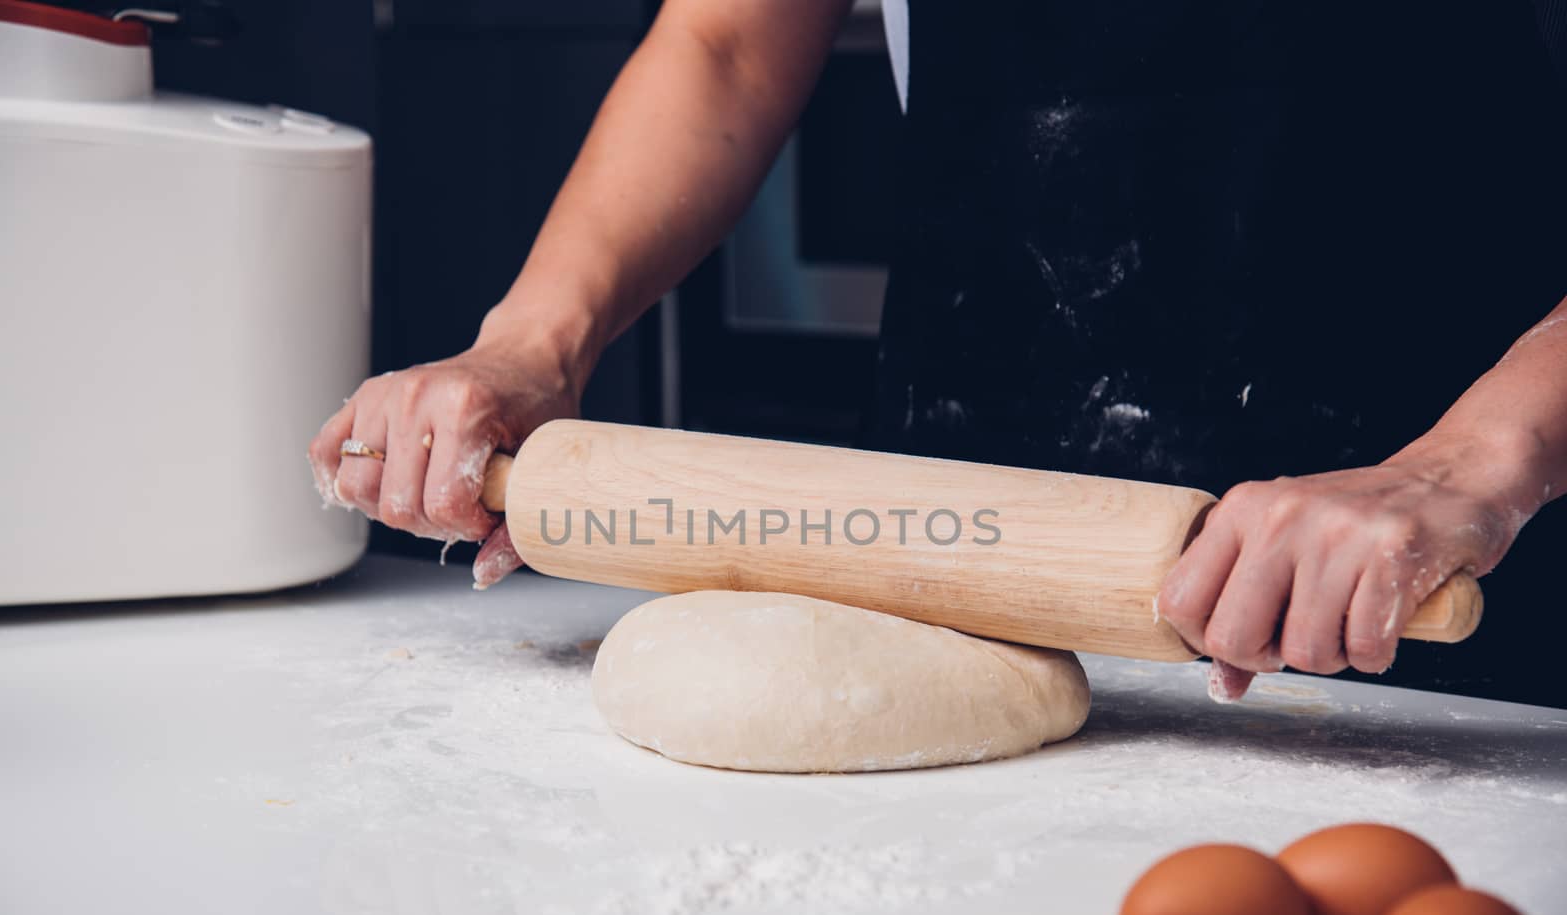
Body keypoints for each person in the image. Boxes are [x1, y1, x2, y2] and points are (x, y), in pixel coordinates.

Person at [309, 0, 1567, 704]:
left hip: (1440, 566)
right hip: (969, 554)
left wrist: (1469, 462)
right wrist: (533, 341)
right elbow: (725, 45)